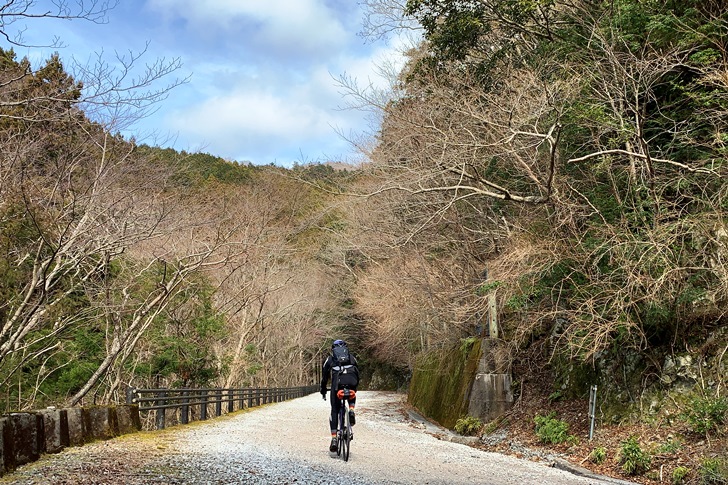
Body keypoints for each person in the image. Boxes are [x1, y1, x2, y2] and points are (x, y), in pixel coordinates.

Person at [320, 339, 360, 452]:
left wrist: (323, 390)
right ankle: (351, 410)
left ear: (333, 348)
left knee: (334, 410)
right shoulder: (351, 357)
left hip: (336, 387)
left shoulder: (330, 359)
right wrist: (355, 387)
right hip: (351, 383)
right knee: (352, 393)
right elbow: (357, 372)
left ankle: (334, 439)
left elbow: (324, 378)